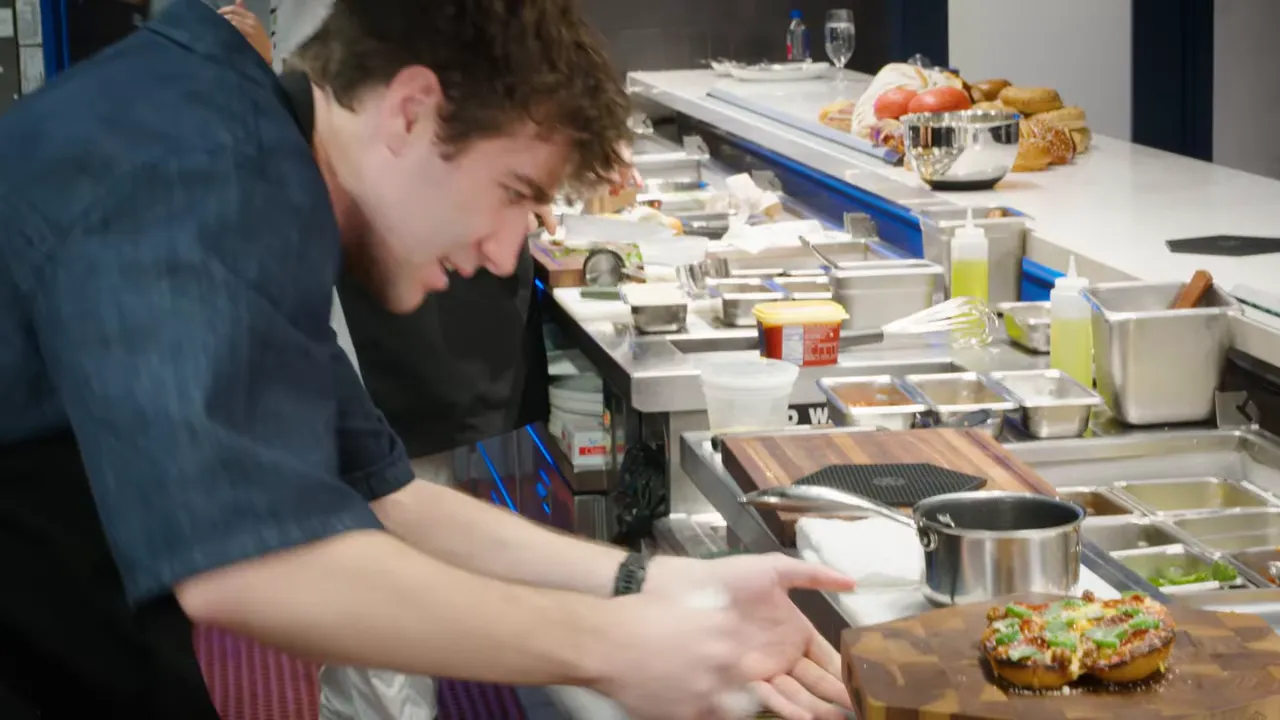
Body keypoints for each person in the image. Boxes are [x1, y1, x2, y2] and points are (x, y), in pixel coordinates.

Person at [0, 3, 856, 720]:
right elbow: (247, 569)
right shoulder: (198, 168)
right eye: (514, 193)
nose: (501, 252)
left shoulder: (262, 165)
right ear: (410, 112)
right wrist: (617, 648)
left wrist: (650, 585)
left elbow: (387, 496)